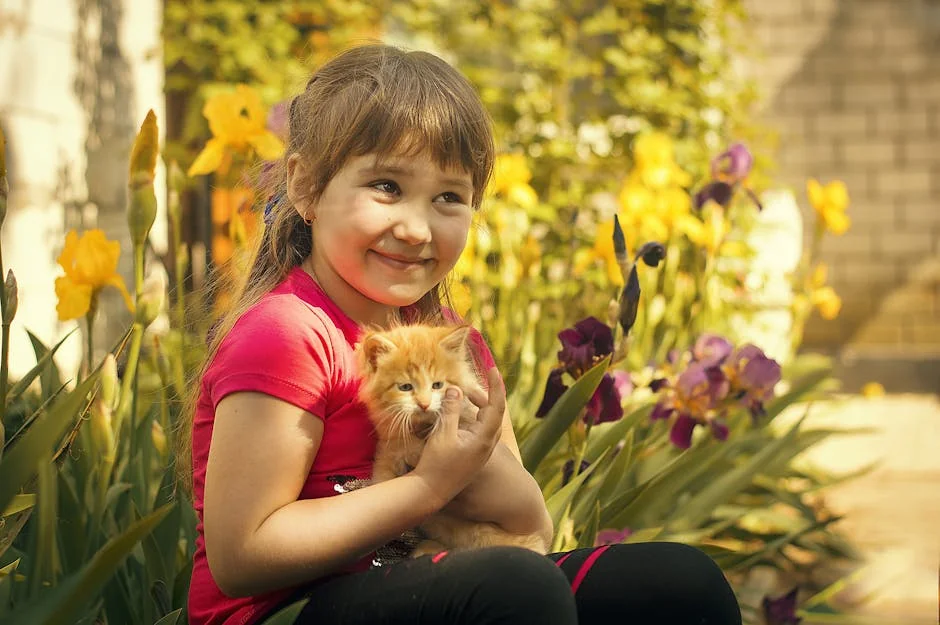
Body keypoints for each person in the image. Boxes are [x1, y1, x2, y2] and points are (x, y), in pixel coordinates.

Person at [178, 43, 743, 625]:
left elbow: (530, 525)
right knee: (511, 587)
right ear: (304, 187)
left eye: (448, 197)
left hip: (439, 578)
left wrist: (476, 463)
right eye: (387, 187)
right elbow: (243, 554)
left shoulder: (448, 342)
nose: (416, 227)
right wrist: (425, 488)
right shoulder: (286, 334)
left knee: (680, 585)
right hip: (285, 610)